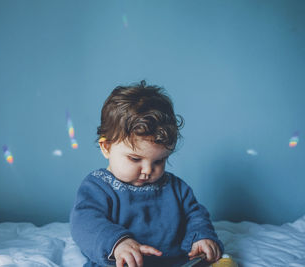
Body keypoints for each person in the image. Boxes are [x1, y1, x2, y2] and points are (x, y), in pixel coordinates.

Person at [70, 81, 224, 267]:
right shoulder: (97, 187)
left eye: (159, 161)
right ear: (106, 147)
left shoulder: (176, 187)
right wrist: (118, 243)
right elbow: (85, 223)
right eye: (135, 159)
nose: (148, 170)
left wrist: (201, 238)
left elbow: (195, 215)